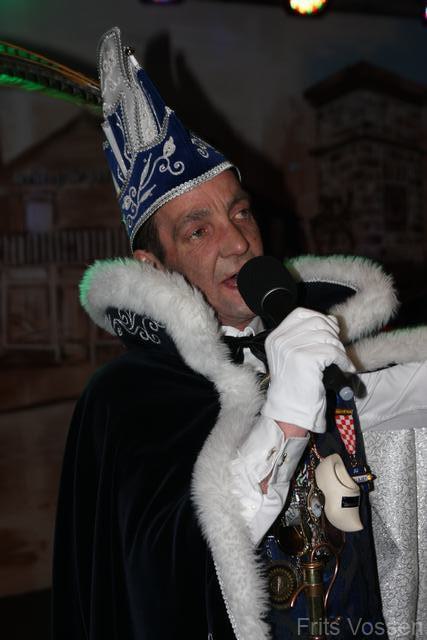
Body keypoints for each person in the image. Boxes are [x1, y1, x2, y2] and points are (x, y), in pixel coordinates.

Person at [53, 27, 427, 640]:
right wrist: (285, 417)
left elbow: (400, 421)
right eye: (198, 230)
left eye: (240, 212)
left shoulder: (325, 339)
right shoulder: (128, 397)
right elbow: (165, 576)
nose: (237, 242)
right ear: (154, 267)